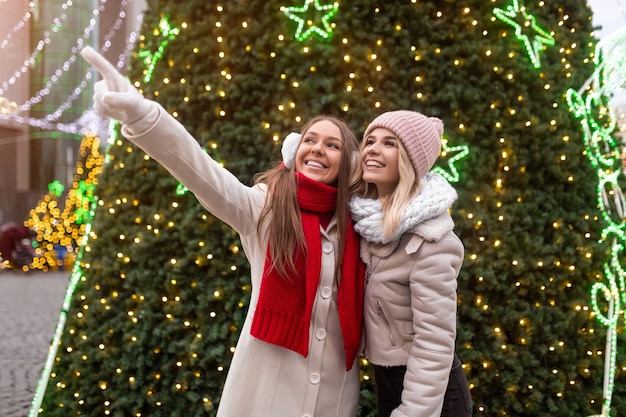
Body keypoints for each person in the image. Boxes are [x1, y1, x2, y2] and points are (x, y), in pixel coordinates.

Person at [81, 46, 365, 417]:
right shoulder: (264, 208)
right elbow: (199, 170)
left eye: (333, 145)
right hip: (265, 396)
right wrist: (143, 114)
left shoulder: (360, 228)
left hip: (335, 398)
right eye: (310, 140)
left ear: (347, 163)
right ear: (295, 153)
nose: (318, 149)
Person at [349, 110, 472, 417]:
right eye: (370, 141)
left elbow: (434, 345)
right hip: (388, 382)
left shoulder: (433, 241)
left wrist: (414, 412)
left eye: (389, 143)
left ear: (409, 160)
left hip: (431, 396)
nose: (372, 149)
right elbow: (327, 161)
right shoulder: (367, 221)